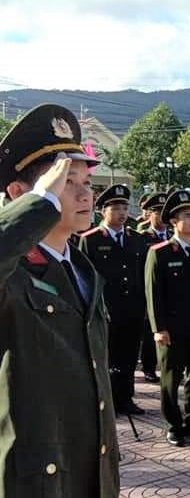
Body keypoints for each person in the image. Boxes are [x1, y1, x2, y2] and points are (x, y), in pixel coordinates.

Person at [0, 103, 119, 497]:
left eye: (88, 181)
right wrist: (40, 202)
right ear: (20, 194)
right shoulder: (11, 273)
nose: (86, 193)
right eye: (67, 181)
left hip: (90, 468)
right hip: (36, 479)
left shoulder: (82, 269)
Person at [145, 189, 190, 447]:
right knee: (170, 380)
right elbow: (153, 293)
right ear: (174, 222)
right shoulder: (160, 252)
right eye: (187, 216)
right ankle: (173, 426)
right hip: (173, 330)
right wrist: (159, 328)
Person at [80, 184, 148, 415]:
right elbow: (86, 278)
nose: (122, 212)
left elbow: (142, 276)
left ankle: (126, 398)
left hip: (133, 309)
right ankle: (105, 400)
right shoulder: (90, 240)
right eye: (116, 207)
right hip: (106, 309)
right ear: (102, 211)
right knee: (107, 357)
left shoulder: (136, 239)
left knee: (128, 357)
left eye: (124, 207)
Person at [138, 192, 170, 383]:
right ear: (150, 215)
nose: (161, 216)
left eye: (164, 212)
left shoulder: (173, 236)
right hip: (149, 289)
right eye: (157, 212)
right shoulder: (142, 237)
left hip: (170, 291)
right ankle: (149, 366)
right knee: (150, 331)